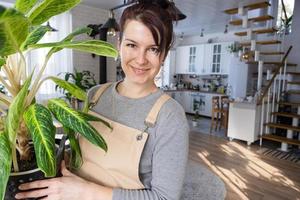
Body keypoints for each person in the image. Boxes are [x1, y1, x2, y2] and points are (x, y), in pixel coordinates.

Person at [15, 0, 189, 199]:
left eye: (153, 49)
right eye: (132, 45)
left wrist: (83, 191)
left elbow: (165, 198)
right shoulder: (95, 95)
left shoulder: (169, 115)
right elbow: (84, 157)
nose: (141, 59)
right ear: (119, 44)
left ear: (164, 54)